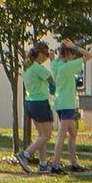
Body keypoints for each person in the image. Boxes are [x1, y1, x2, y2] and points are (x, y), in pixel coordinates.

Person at [19, 39, 55, 167]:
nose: (46, 57)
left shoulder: (26, 66)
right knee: (46, 135)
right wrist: (52, 87)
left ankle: (43, 163)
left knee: (41, 135)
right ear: (40, 54)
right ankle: (26, 154)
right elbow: (50, 78)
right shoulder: (37, 68)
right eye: (45, 54)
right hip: (40, 103)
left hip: (30, 102)